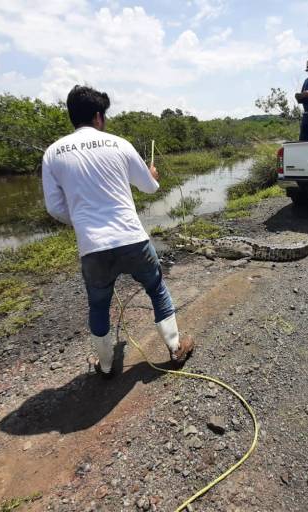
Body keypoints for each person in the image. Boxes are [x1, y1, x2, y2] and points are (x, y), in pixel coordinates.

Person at [42, 85, 194, 377]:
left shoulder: (52, 154)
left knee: (98, 305)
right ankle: (175, 349)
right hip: (132, 240)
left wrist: (84, 224)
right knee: (157, 289)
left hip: (92, 248)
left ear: (73, 117)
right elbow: (150, 188)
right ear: (99, 117)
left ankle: (107, 365)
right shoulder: (119, 144)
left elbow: (55, 208)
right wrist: (151, 175)